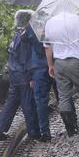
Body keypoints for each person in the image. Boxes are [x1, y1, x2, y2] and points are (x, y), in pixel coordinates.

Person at [44, 12, 79, 136]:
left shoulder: (50, 22)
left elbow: (48, 47)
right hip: (76, 61)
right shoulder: (76, 19)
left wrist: (50, 65)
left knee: (64, 96)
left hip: (59, 62)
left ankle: (70, 129)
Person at [0, 10, 41, 142]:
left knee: (11, 102)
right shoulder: (26, 37)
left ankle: (0, 128)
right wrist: (32, 76)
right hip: (23, 74)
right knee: (28, 103)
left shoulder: (17, 35)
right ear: (28, 20)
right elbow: (26, 59)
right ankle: (33, 132)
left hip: (14, 73)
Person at [26, 10, 53, 142]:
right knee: (64, 96)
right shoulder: (54, 22)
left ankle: (45, 132)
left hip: (39, 67)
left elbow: (28, 52)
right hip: (56, 63)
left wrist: (30, 76)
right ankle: (71, 128)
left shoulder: (31, 27)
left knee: (41, 100)